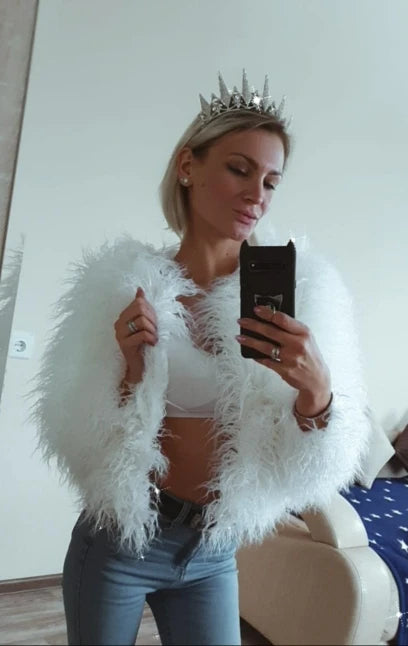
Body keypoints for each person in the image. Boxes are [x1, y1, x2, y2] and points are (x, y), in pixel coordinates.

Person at [26, 70, 371, 646]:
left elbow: (311, 465)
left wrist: (317, 392)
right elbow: (79, 437)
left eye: (270, 181)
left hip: (214, 549)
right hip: (122, 542)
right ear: (189, 166)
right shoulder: (125, 287)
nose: (257, 195)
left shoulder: (306, 294)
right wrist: (131, 372)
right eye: (239, 169)